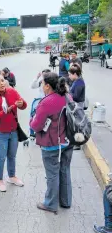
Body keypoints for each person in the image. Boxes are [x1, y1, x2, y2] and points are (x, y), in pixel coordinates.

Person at [30, 73, 74, 214]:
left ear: (48, 86)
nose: (42, 87)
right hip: (68, 141)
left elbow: (36, 126)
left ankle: (50, 204)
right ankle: (65, 201)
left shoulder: (47, 102)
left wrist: (31, 120)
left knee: (52, 175)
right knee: (65, 170)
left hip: (52, 144)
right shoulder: (67, 96)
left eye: (42, 84)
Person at [0, 73, 27, 192]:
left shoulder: (12, 91)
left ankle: (12, 176)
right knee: (1, 157)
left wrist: (21, 104)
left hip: (13, 130)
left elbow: (23, 104)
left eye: (2, 80)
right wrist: (7, 110)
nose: (1, 83)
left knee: (12, 155)